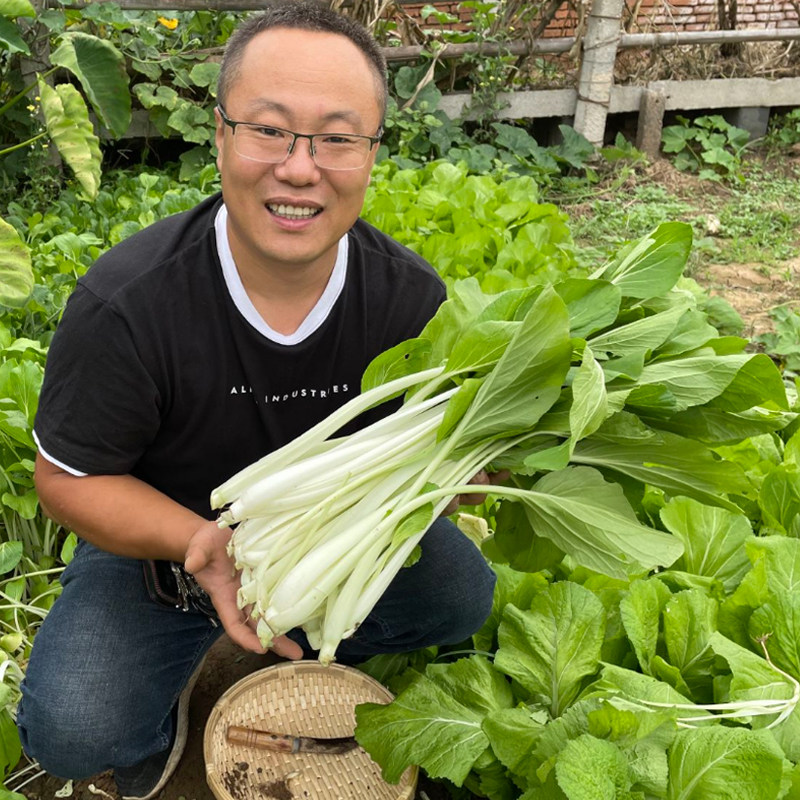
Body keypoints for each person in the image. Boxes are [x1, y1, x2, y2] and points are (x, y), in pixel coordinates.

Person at [16, 3, 497, 798]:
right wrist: (199, 549)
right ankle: (175, 690)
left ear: (373, 152)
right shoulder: (128, 303)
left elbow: (423, 474)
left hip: (328, 541)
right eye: (269, 129)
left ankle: (285, 645)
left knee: (458, 594)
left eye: (338, 138)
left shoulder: (411, 303)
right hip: (158, 552)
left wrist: (459, 470)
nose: (300, 168)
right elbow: (67, 479)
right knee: (76, 730)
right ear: (221, 134)